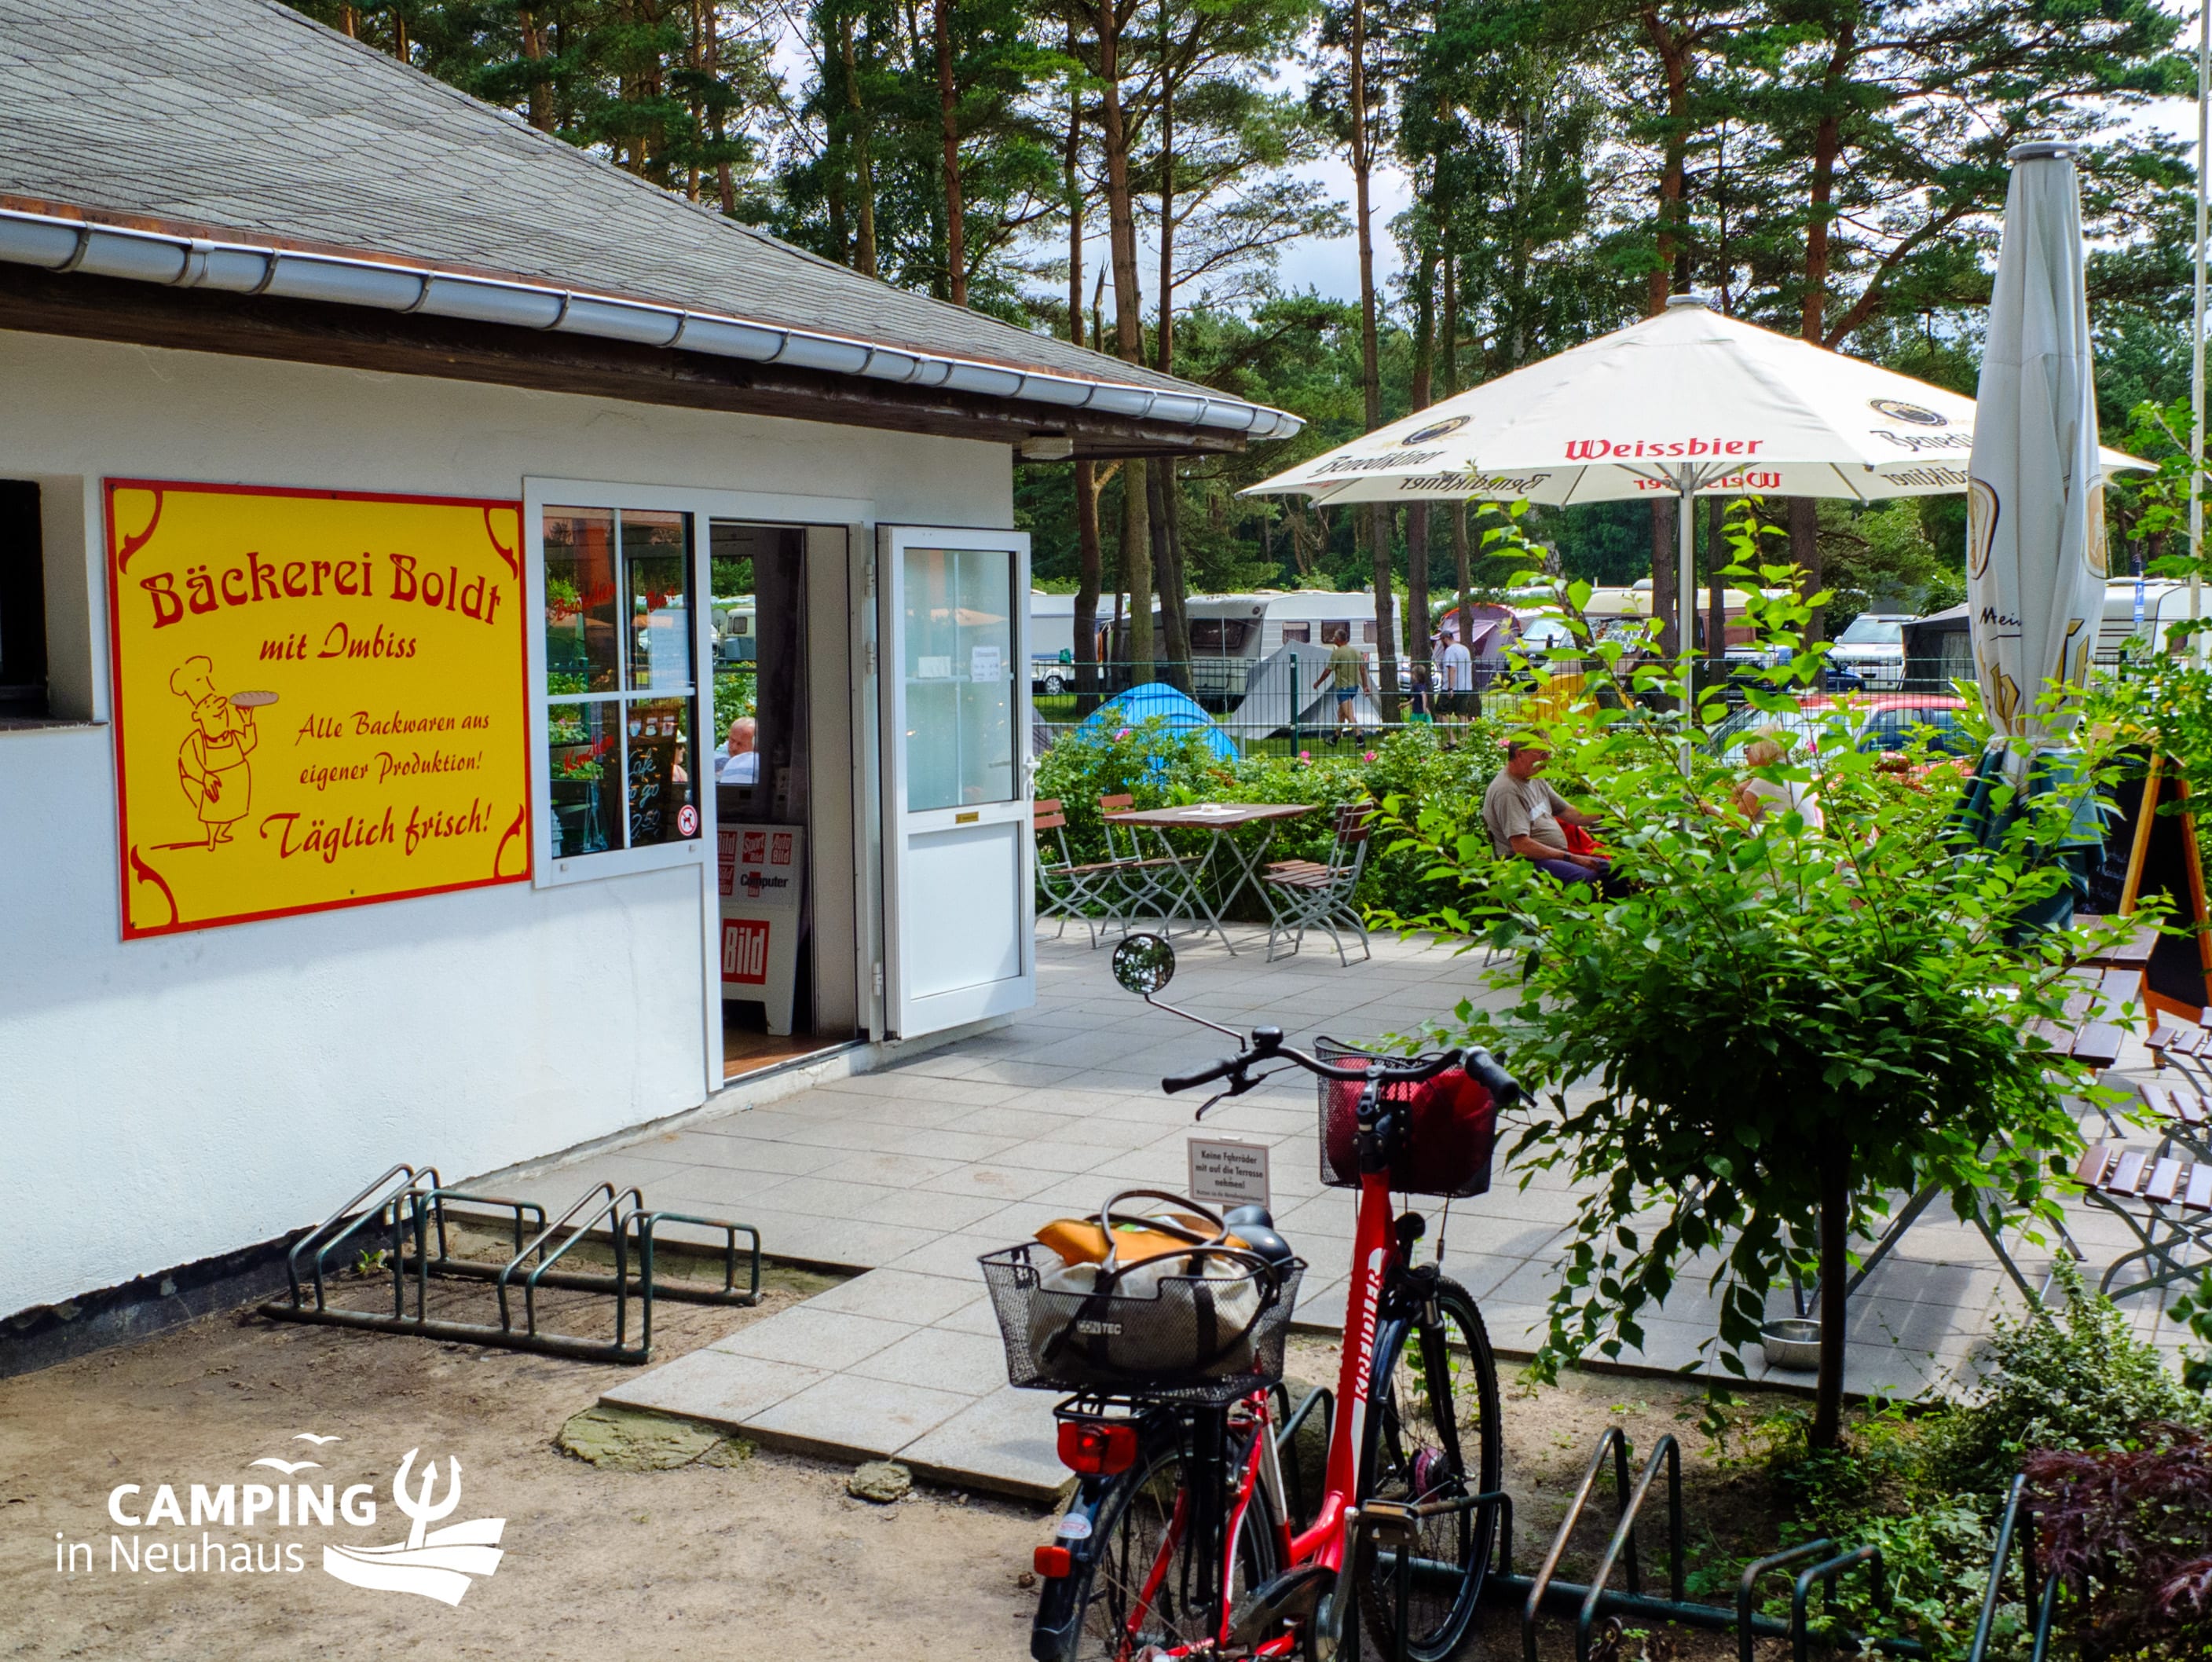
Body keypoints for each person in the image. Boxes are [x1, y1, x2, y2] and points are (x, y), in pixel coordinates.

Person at [1481, 741, 1622, 891]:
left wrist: (1616, 815)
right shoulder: (1507, 791)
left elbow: (1570, 813)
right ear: (1520, 754)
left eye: (1549, 753)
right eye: (1542, 754)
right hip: (1527, 864)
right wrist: (1572, 858)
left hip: (1554, 857)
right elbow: (1522, 846)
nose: (1548, 759)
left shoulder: (1535, 778)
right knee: (1589, 880)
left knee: (1617, 870)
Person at [1732, 730, 1823, 831]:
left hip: (1780, 841)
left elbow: (1731, 823)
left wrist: (1735, 792)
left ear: (1761, 750)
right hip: (1803, 839)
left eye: (1748, 749)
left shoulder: (1765, 781)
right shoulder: (1796, 774)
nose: (1745, 754)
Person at [1310, 625, 1372, 743]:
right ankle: (1335, 739)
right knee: (1341, 714)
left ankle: (1360, 739)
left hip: (1343, 688)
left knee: (1349, 715)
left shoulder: (1337, 653)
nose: (1333, 639)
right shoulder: (1356, 652)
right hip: (1354, 687)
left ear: (1338, 639)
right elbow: (1362, 671)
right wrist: (1365, 686)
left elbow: (1328, 671)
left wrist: (1318, 683)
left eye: (1334, 637)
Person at [1438, 631, 1475, 721]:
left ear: (1445, 639)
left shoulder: (1450, 650)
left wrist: (1450, 688)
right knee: (1462, 715)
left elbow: (1452, 669)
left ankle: (1449, 731)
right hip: (1466, 687)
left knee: (1440, 713)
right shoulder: (1465, 649)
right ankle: (1466, 731)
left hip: (1453, 688)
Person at [716, 716, 758, 785]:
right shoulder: (717, 760)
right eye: (732, 741)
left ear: (755, 746)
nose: (734, 747)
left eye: (740, 744)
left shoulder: (755, 765)